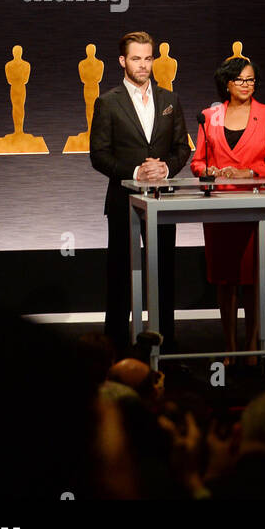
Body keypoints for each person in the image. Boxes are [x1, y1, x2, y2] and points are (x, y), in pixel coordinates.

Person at [89, 31, 190, 354]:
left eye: (148, 58)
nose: (143, 65)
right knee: (119, 277)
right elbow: (99, 155)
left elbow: (181, 149)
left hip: (163, 201)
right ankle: (116, 349)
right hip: (123, 202)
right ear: (122, 61)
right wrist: (135, 173)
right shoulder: (107, 102)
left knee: (163, 276)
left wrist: (165, 169)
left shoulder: (170, 101)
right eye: (136, 58)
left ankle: (165, 348)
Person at [189, 56, 265, 365]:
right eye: (241, 80)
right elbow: (197, 163)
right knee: (225, 279)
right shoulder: (210, 116)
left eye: (251, 80)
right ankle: (230, 348)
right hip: (220, 207)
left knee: (253, 278)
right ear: (227, 84)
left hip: (256, 206)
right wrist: (212, 170)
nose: (247, 85)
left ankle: (253, 348)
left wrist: (250, 173)